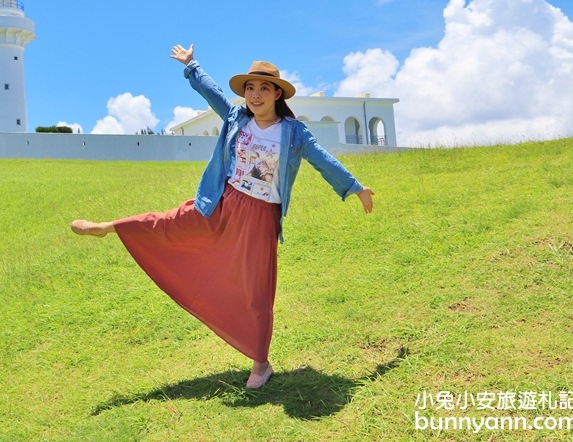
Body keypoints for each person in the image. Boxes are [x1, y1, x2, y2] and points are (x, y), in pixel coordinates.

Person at [71, 44, 375, 389]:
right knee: (170, 223)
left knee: (256, 290)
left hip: (260, 217)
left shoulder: (293, 132)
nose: (255, 95)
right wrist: (191, 65)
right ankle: (109, 227)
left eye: (263, 88)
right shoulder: (236, 118)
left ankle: (260, 364)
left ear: (277, 93)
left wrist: (355, 187)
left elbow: (322, 159)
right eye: (250, 88)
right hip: (223, 203)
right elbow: (213, 93)